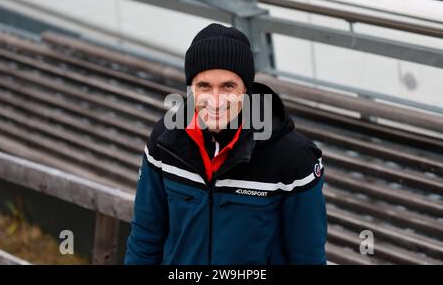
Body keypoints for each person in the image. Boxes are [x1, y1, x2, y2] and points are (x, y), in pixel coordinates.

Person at [125, 23, 327, 265]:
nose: (215, 100)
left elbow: (308, 259)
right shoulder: (165, 141)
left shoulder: (293, 158)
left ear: (246, 90)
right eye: (204, 86)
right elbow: (145, 238)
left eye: (228, 86)